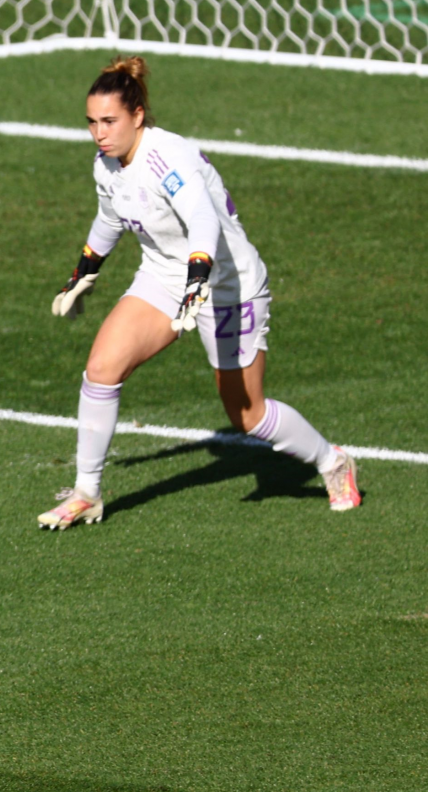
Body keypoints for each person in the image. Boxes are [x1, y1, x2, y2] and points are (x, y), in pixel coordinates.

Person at [39, 57, 361, 529]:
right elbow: (110, 218)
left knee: (246, 413)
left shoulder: (168, 159)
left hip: (228, 282)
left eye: (109, 121)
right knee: (102, 368)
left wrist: (199, 279)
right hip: (166, 275)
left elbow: (203, 219)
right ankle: (87, 491)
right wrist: (84, 270)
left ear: (138, 116)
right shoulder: (106, 164)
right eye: (92, 123)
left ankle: (332, 462)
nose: (99, 133)